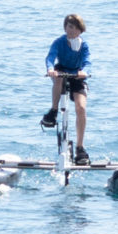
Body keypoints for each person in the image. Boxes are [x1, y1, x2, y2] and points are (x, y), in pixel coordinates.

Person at [40, 13, 91, 163]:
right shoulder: (59, 42)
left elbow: (88, 62)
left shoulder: (84, 45)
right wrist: (50, 69)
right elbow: (50, 57)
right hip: (62, 70)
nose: (71, 31)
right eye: (69, 27)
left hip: (77, 74)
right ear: (65, 27)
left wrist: (85, 72)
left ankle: (80, 148)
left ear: (80, 30)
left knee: (81, 108)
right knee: (58, 78)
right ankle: (53, 111)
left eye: (75, 28)